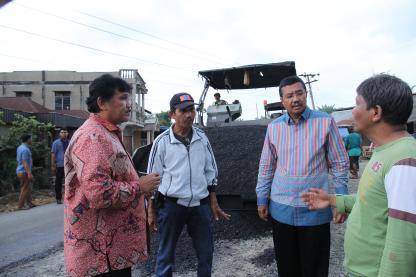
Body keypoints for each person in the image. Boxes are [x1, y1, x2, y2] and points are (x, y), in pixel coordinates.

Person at [301, 74, 416, 277]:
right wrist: (334, 199)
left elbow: (403, 244)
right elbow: (375, 202)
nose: (353, 111)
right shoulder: (386, 151)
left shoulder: (403, 161)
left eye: (357, 104)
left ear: (376, 112)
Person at [63, 74, 160, 277]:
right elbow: (99, 193)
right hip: (100, 256)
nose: (129, 104)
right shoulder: (93, 137)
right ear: (102, 102)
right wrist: (139, 187)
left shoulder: (105, 133)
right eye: (123, 98)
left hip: (111, 251)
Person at [256, 75, 349, 277]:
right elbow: (266, 165)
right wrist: (262, 198)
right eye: (289, 96)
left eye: (299, 93)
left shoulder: (325, 122)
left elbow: (340, 162)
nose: (295, 99)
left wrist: (341, 201)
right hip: (282, 209)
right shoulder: (274, 127)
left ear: (306, 94)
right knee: (287, 267)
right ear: (282, 101)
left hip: (314, 209)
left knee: (314, 268)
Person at [147, 92, 230, 277]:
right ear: (172, 115)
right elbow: (152, 178)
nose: (189, 115)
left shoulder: (202, 138)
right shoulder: (162, 142)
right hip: (171, 206)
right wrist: (150, 209)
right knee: (165, 255)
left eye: (191, 110)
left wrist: (213, 201)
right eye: (183, 110)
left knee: (206, 253)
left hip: (199, 206)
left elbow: (211, 170)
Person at [16, 134, 36, 210]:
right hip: (24, 171)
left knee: (27, 187)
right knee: (24, 188)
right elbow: (24, 162)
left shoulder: (20, 147)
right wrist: (29, 173)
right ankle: (20, 206)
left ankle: (30, 203)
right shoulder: (25, 149)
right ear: (28, 140)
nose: (32, 140)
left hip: (19, 170)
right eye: (31, 139)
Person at [51, 128, 69, 204]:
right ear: (59, 134)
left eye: (65, 132)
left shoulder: (69, 142)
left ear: (67, 133)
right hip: (60, 165)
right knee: (58, 182)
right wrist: (53, 165)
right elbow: (53, 154)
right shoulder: (56, 143)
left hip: (69, 165)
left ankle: (69, 197)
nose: (63, 133)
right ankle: (58, 198)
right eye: (62, 132)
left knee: (69, 181)